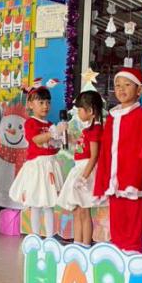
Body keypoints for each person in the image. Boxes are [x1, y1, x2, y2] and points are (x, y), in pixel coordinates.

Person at [94, 66, 142, 254]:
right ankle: (119, 254)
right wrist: (104, 178)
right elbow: (105, 150)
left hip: (132, 180)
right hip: (114, 179)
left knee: (134, 222)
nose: (121, 89)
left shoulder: (141, 116)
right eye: (118, 85)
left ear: (139, 90)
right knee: (117, 221)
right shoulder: (112, 116)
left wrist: (137, 178)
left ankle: (133, 255)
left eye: (127, 85)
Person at [9, 87, 64, 237]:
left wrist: (60, 139)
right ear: (30, 104)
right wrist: (53, 133)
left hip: (50, 166)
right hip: (37, 167)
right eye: (41, 102)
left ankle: (50, 236)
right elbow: (36, 140)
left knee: (48, 203)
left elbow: (54, 147)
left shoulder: (51, 124)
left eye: (48, 102)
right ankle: (35, 235)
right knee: (35, 203)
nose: (45, 106)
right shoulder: (30, 123)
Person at [58, 90, 104, 246]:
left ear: (90, 111)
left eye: (80, 110)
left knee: (84, 210)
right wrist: (66, 136)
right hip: (79, 168)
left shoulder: (96, 129)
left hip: (86, 170)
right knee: (77, 210)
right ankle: (77, 243)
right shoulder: (87, 130)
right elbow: (82, 147)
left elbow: (94, 156)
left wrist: (84, 177)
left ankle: (85, 244)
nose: (78, 113)